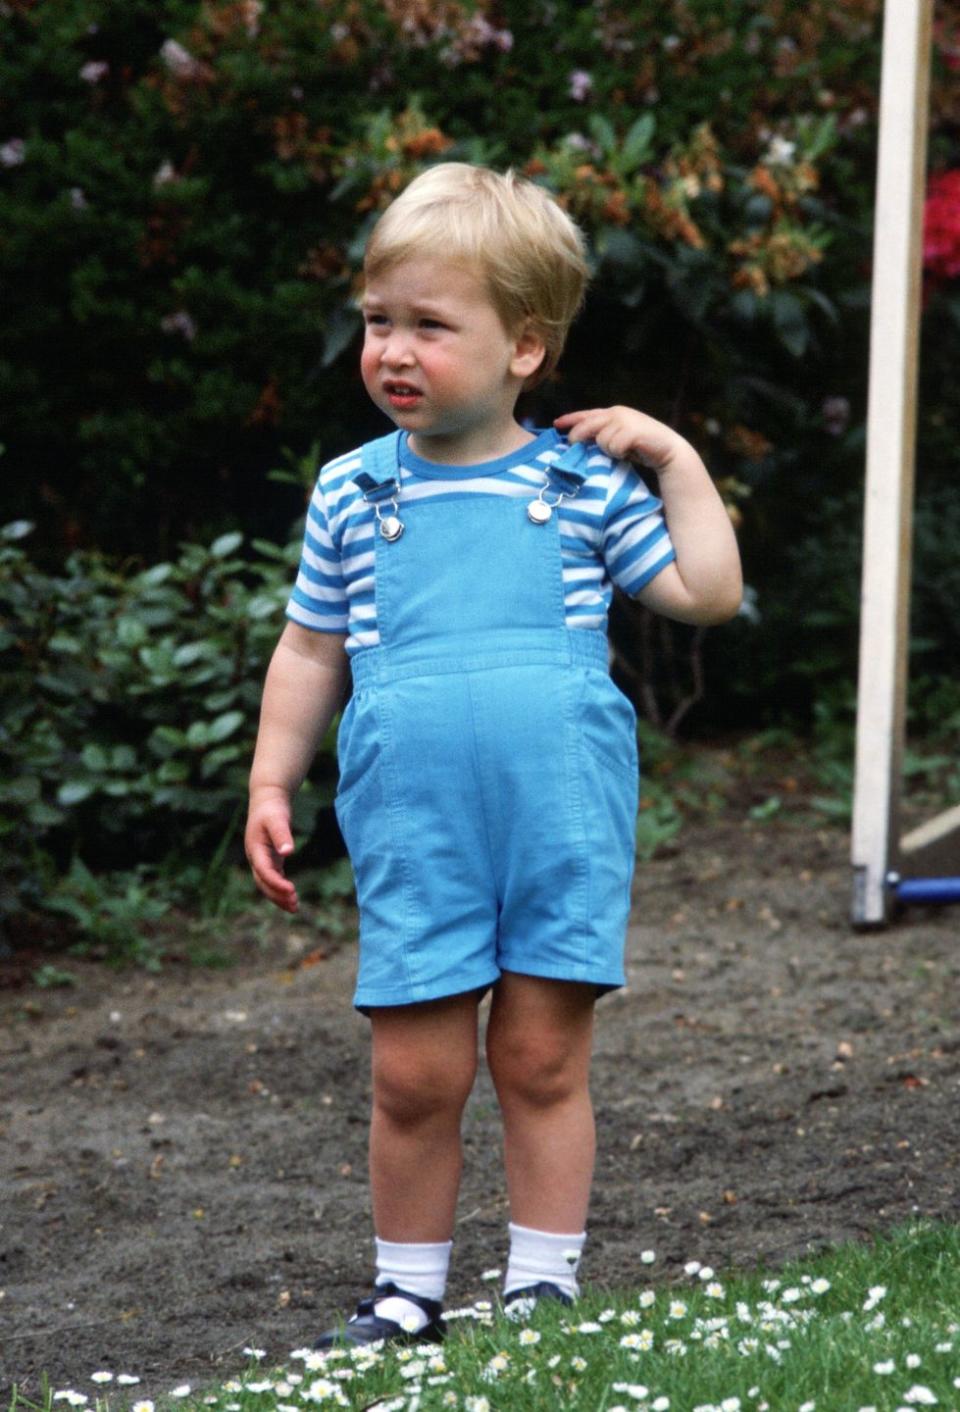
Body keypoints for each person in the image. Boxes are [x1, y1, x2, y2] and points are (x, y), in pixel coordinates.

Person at [245, 162, 742, 1348]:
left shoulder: (580, 484)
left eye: (430, 324)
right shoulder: (353, 495)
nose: (394, 351)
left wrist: (675, 462)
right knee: (415, 1073)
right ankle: (409, 1289)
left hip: (557, 815)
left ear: (524, 346)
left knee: (538, 1053)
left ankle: (542, 1284)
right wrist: (272, 777)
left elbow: (707, 595)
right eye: (378, 321)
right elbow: (311, 648)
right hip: (415, 822)